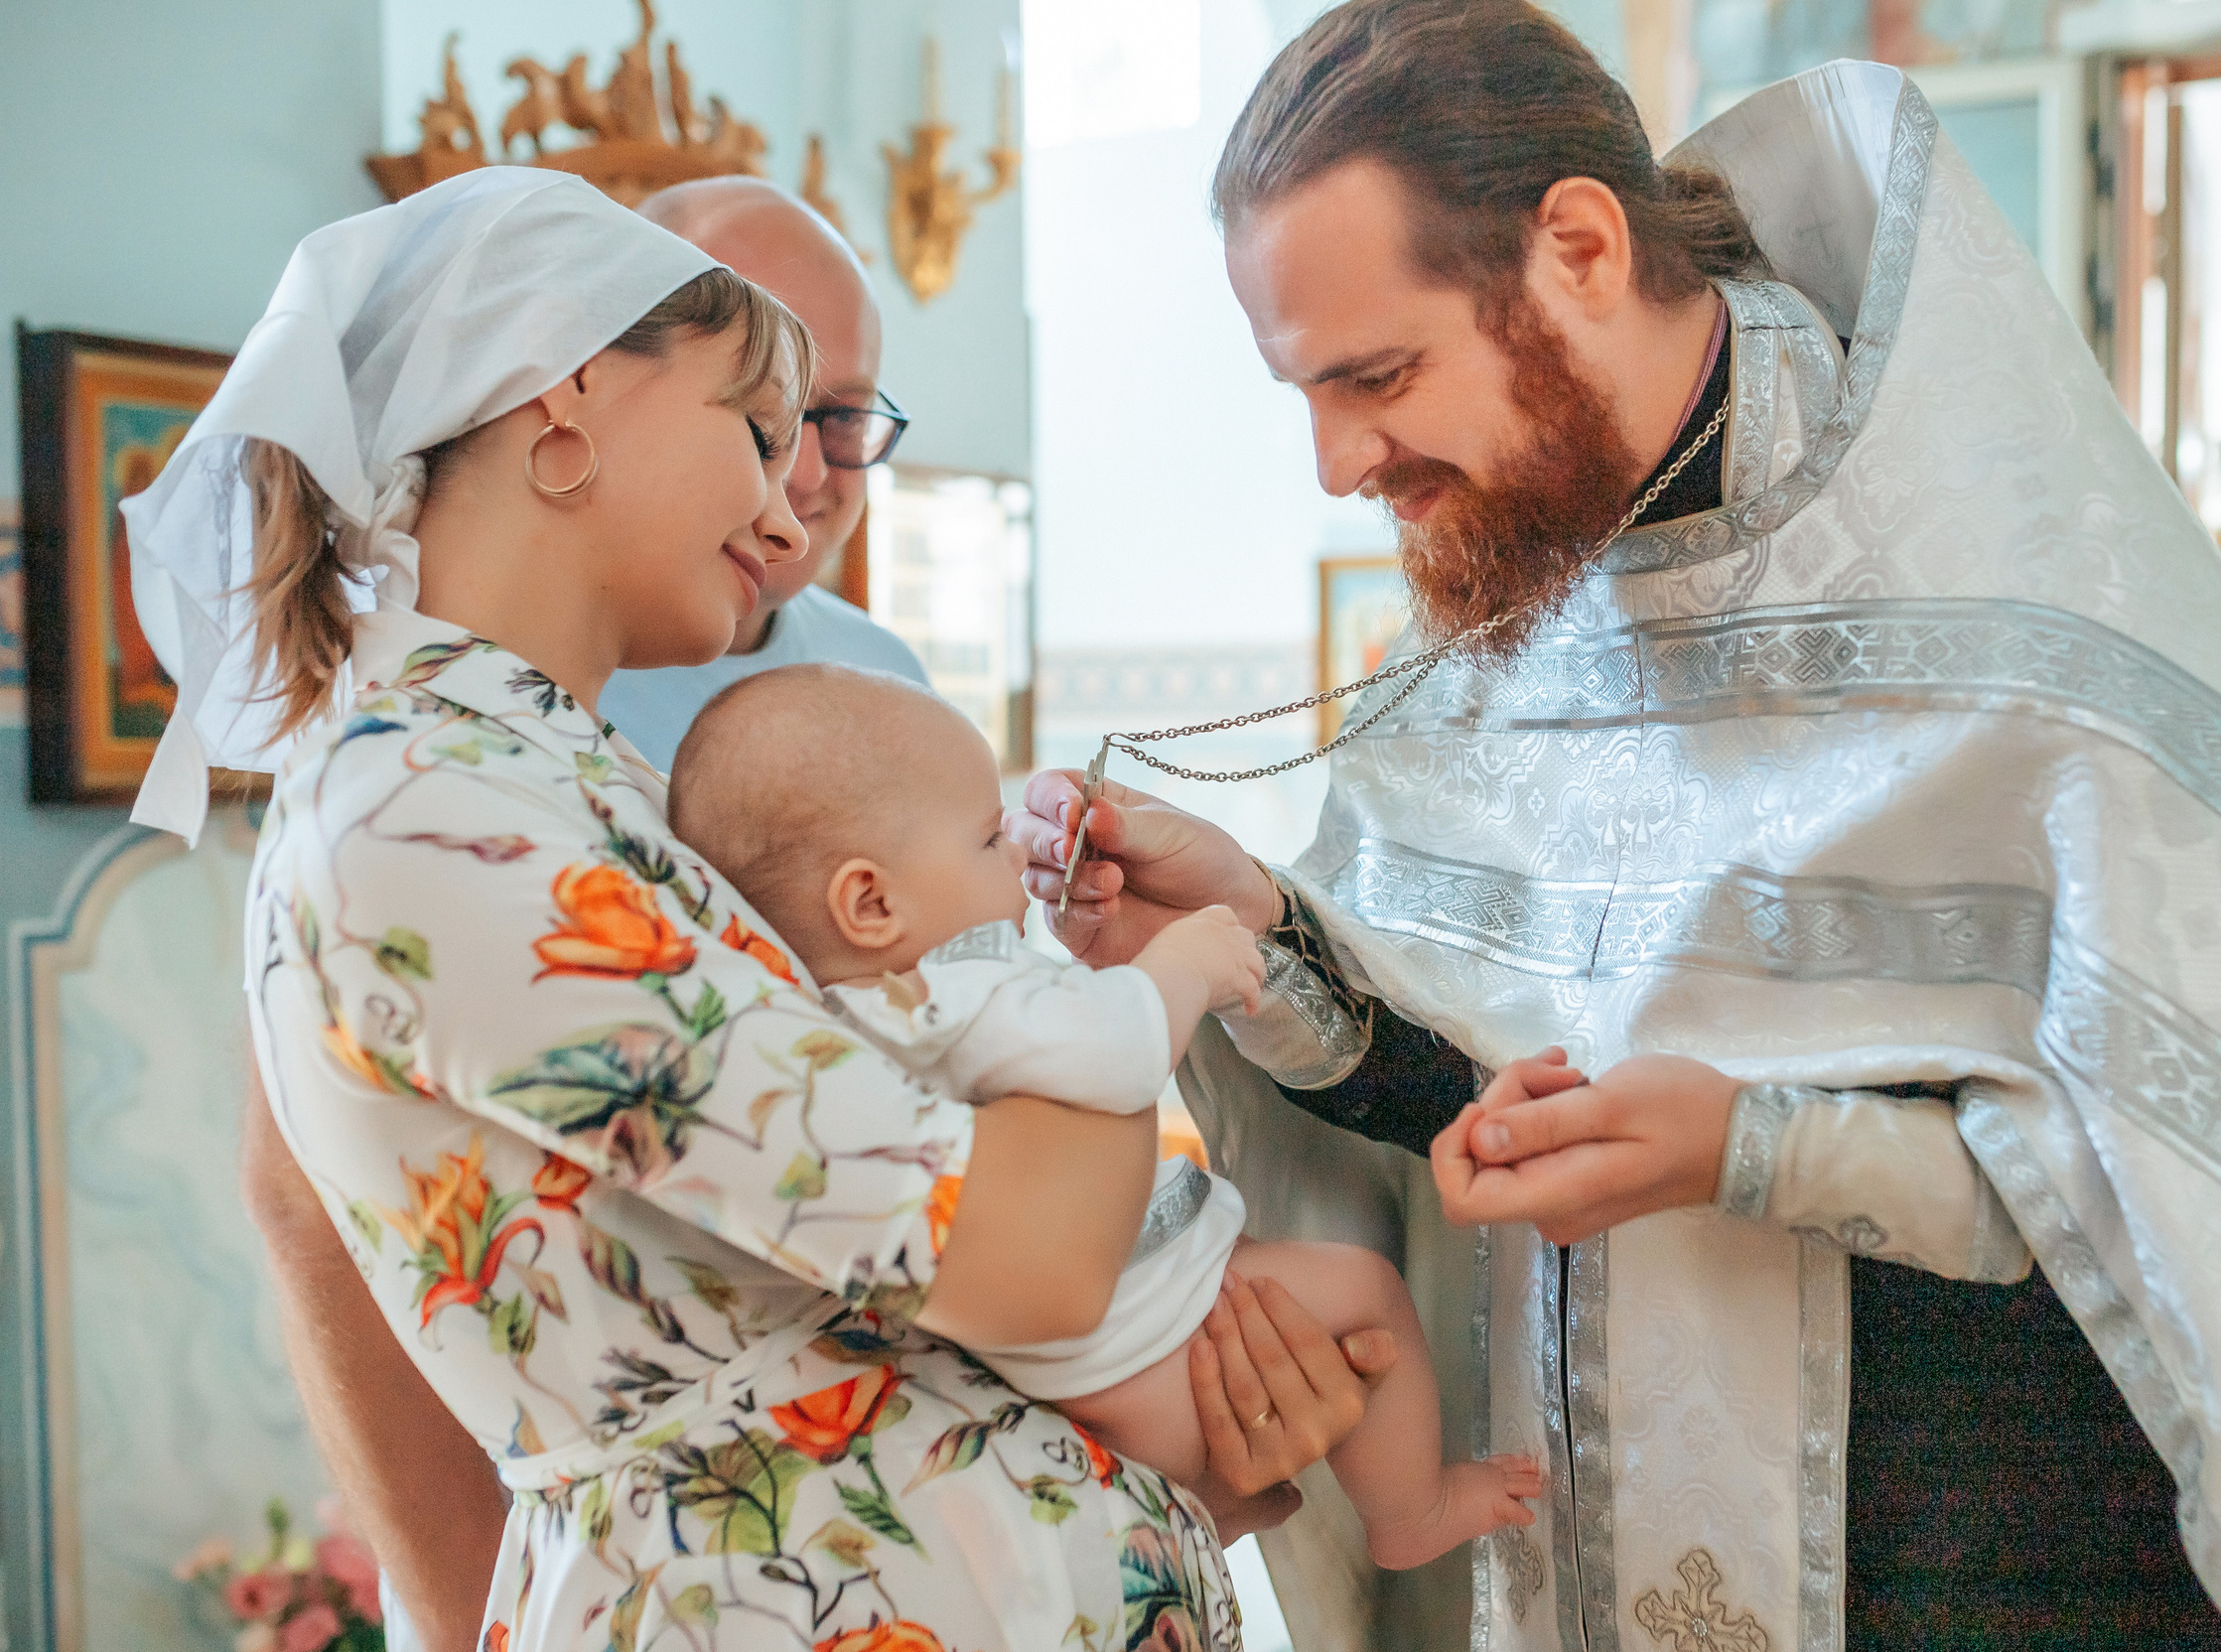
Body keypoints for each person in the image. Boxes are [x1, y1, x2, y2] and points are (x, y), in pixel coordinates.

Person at [1008, 5, 2221, 1649]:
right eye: (1303, 391)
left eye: (1377, 375)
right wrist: (1255, 932)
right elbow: (1475, 1070)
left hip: (2003, 1571)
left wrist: (1760, 1147)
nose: (1335, 462)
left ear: (1580, 250)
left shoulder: (2051, 655)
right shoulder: (1521, 608)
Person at [128, 166, 1378, 1652]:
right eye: (755, 426)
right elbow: (1026, 1251)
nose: (790, 498)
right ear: (569, 401)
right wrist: (1123, 1003)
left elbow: (845, 1296)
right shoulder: (435, 811)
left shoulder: (546, 770)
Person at [666, 662, 1544, 1570]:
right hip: (1145, 1346)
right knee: (1367, 1293)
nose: (1013, 855)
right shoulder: (945, 997)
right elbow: (1114, 1055)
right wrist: (1184, 961)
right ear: (872, 902)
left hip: (1084, 1371)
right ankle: (1414, 1513)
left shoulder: (846, 1032)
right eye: (982, 842)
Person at [598, 179, 928, 767]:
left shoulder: (887, 675)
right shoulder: (537, 673)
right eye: (758, 413)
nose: (806, 476)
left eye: (847, 416)